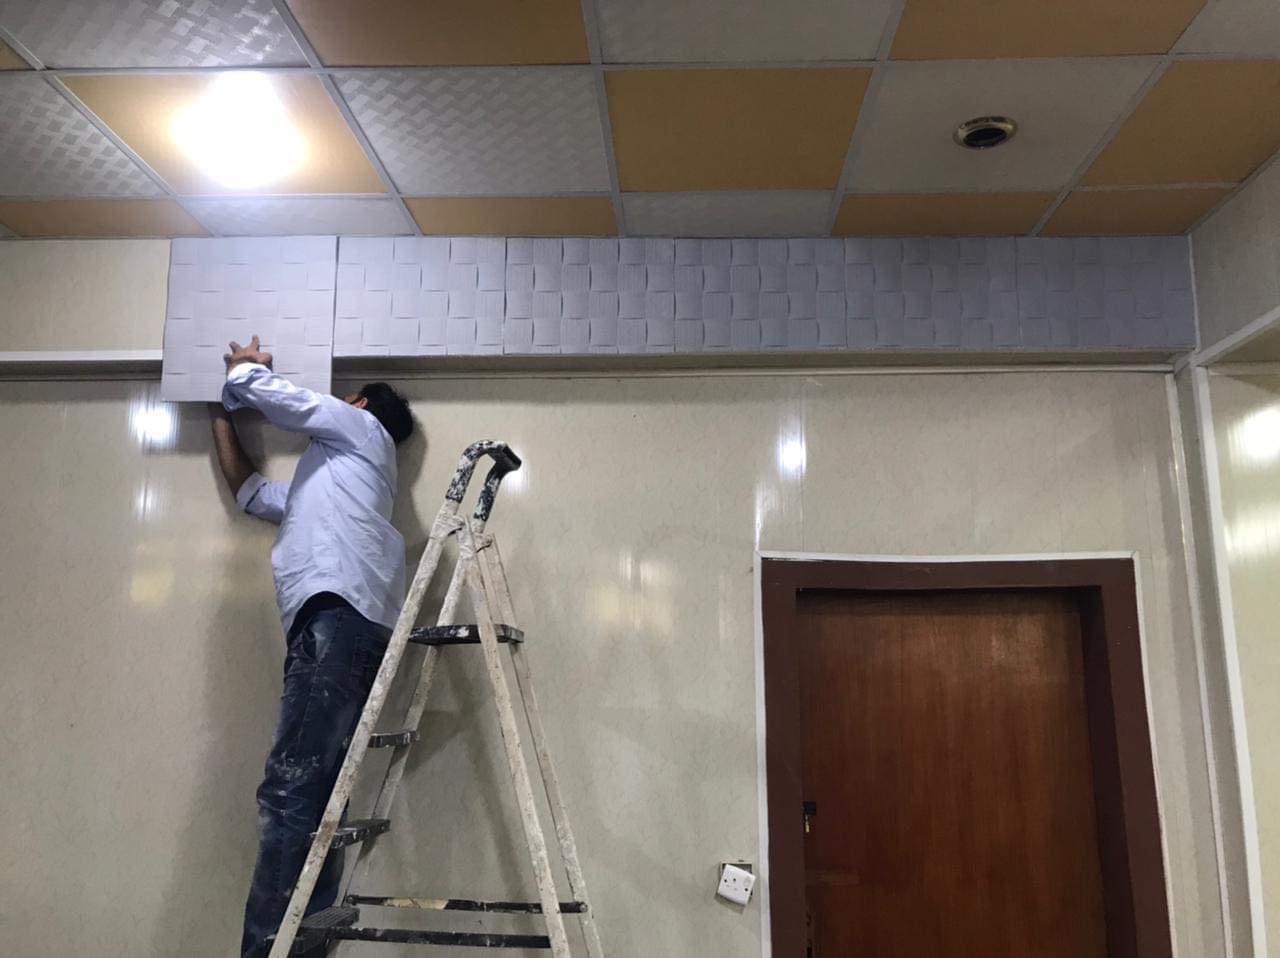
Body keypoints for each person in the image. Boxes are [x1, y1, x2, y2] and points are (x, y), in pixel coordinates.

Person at [209, 335, 413, 958]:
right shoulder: (333, 482)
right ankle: (302, 949)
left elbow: (288, 403)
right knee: (318, 799)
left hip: (336, 618)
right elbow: (251, 492)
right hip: (347, 626)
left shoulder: (362, 429)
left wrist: (245, 370)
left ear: (359, 404)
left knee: (291, 791)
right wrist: (219, 413)